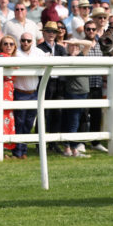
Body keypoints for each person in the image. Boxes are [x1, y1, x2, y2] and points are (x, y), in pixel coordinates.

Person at [12, 32, 45, 159]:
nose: (25, 43)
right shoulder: (16, 52)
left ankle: (23, 150)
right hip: (20, 91)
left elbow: (46, 62)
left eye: (28, 41)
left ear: (32, 42)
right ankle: (17, 151)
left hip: (33, 92)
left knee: (29, 123)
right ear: (20, 41)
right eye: (23, 40)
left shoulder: (38, 52)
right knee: (19, 122)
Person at [38, 21, 68, 153]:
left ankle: (53, 143)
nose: (51, 34)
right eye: (48, 31)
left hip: (59, 83)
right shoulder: (39, 49)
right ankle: (40, 143)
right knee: (43, 113)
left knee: (57, 113)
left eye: (53, 32)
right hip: (46, 83)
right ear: (44, 33)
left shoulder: (61, 49)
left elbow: (65, 66)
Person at [62, 39, 92, 158]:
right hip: (73, 92)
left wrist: (75, 40)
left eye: (76, 46)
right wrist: (71, 43)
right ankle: (70, 148)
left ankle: (71, 147)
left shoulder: (81, 56)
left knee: (78, 120)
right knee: (73, 120)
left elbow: (89, 44)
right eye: (71, 46)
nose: (73, 48)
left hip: (84, 92)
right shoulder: (66, 58)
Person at [82, 20, 108, 153]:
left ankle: (95, 142)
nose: (91, 31)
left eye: (93, 29)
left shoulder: (101, 45)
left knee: (96, 115)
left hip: (97, 84)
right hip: (84, 85)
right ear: (84, 30)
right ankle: (80, 142)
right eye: (88, 29)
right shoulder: (81, 44)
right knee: (83, 115)